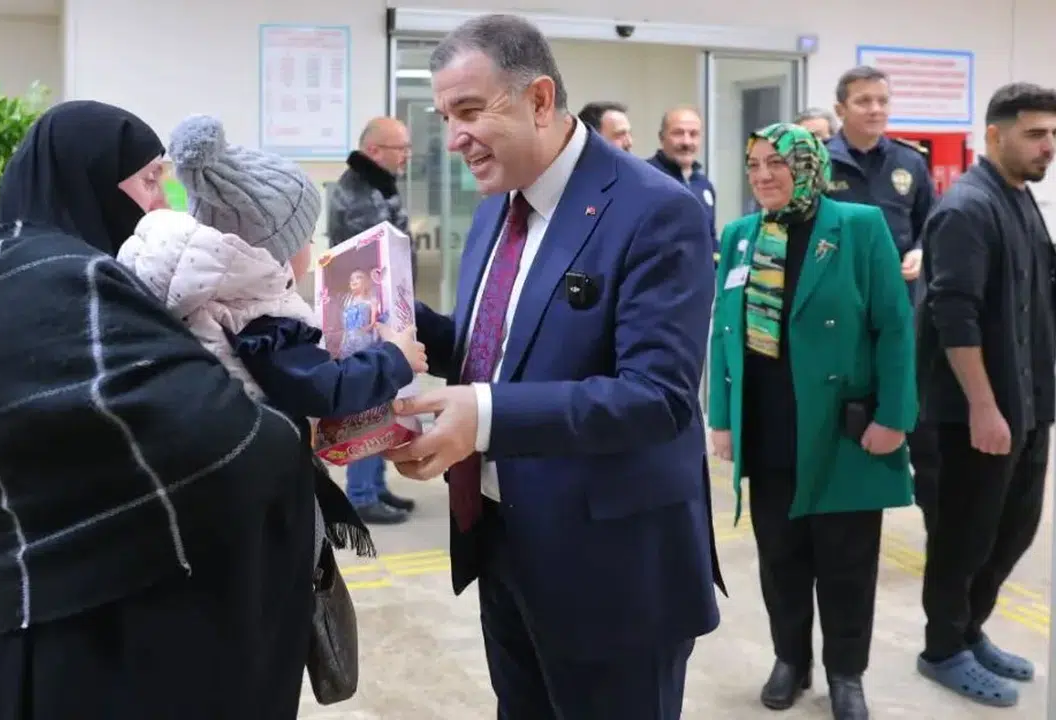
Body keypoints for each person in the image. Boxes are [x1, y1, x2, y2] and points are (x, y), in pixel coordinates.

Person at [385, 14, 724, 719]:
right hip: (503, 539)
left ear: (539, 99)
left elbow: (657, 397)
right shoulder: (497, 208)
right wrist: (387, 317)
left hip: (613, 568)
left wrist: (481, 415)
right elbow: (492, 349)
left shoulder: (656, 211)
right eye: (446, 118)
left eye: (469, 111)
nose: (454, 138)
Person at [0, 101, 322, 719]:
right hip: (84, 635)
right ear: (90, 179)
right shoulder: (51, 282)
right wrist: (293, 426)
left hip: (104, 609)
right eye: (150, 179)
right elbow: (208, 432)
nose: (162, 202)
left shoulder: (56, 271)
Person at [116, 112, 430, 554]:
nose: (312, 249)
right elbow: (322, 389)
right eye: (305, 238)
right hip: (255, 496)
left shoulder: (205, 293)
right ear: (272, 248)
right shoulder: (259, 317)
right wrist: (395, 357)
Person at [709, 122, 916, 720]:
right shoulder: (742, 235)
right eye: (754, 165)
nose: (763, 175)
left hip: (841, 428)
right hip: (769, 427)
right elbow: (724, 333)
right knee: (780, 558)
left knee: (847, 562)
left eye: (776, 163)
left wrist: (895, 416)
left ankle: (846, 673)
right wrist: (722, 418)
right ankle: (790, 659)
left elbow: (894, 326)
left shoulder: (858, 226)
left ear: (808, 166)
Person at [916, 82, 1056, 708]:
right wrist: (982, 406)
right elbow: (954, 314)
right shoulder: (967, 209)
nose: (1048, 146)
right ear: (995, 135)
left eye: (1053, 135)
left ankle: (969, 631)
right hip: (970, 415)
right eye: (1036, 134)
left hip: (1026, 406)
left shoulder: (1021, 200)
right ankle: (942, 649)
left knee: (1013, 532)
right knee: (963, 538)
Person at [824, 65, 940, 535]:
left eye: (882, 100)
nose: (875, 109)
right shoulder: (820, 161)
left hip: (899, 315)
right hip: (838, 317)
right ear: (841, 109)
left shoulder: (909, 162)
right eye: (863, 101)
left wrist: (920, 251)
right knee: (843, 419)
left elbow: (933, 224)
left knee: (905, 412)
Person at [327, 116, 418, 524]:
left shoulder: (377, 185)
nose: (406, 156)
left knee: (384, 397)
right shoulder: (357, 191)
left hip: (383, 309)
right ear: (374, 150)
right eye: (401, 148)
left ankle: (376, 486)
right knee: (369, 400)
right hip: (366, 315)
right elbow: (376, 255)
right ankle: (361, 493)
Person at [648, 105, 717, 253]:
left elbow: (710, 239)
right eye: (678, 133)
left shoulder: (704, 185)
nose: (687, 142)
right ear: (661, 137)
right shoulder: (644, 178)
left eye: (694, 134)